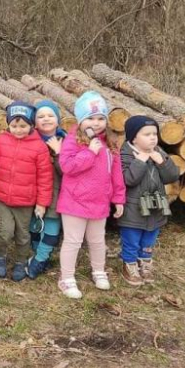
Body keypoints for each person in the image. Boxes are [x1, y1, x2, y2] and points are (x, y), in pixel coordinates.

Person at [56, 91, 126, 299]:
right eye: (90, 118)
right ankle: (66, 278)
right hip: (74, 201)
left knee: (97, 241)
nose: (96, 123)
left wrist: (119, 198)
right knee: (73, 241)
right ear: (80, 120)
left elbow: (116, 173)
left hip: (99, 202)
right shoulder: (72, 140)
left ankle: (99, 271)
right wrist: (89, 152)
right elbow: (67, 166)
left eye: (100, 118)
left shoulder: (109, 144)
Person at [0, 102, 53, 282]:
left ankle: (20, 261)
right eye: (14, 126)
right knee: (5, 232)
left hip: (25, 201)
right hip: (3, 198)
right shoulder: (2, 140)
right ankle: (0, 256)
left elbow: (44, 178)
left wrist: (42, 203)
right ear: (8, 124)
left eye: (23, 126)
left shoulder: (39, 147)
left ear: (31, 125)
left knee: (23, 235)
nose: (18, 130)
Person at [118, 115, 179, 286]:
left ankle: (145, 260)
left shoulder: (158, 152)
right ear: (134, 138)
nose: (152, 137)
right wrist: (140, 162)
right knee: (132, 237)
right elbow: (128, 180)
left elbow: (172, 176)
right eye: (146, 134)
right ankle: (129, 263)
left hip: (156, 205)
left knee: (150, 237)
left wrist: (162, 162)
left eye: (154, 134)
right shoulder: (126, 153)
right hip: (133, 207)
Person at [27, 100, 66, 278]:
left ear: (58, 120)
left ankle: (40, 259)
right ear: (34, 122)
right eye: (41, 116)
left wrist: (58, 152)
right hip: (34, 191)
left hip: (58, 192)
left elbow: (69, 169)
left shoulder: (66, 141)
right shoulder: (29, 140)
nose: (46, 119)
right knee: (35, 226)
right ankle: (37, 253)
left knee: (52, 227)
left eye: (51, 115)